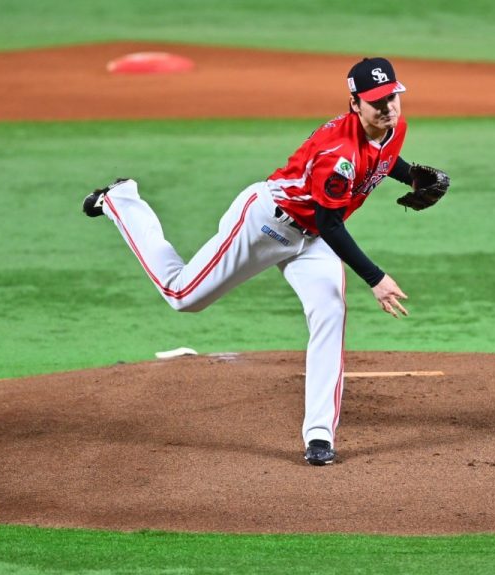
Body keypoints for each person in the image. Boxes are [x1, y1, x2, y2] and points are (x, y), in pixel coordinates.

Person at [82, 57, 449, 466]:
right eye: (376, 101)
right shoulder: (337, 153)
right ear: (354, 104)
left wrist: (411, 176)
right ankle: (121, 201)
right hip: (266, 225)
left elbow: (382, 158)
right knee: (182, 295)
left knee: (330, 311)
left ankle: (319, 435)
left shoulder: (393, 126)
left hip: (312, 239)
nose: (388, 107)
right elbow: (330, 223)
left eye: (392, 97)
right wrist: (375, 278)